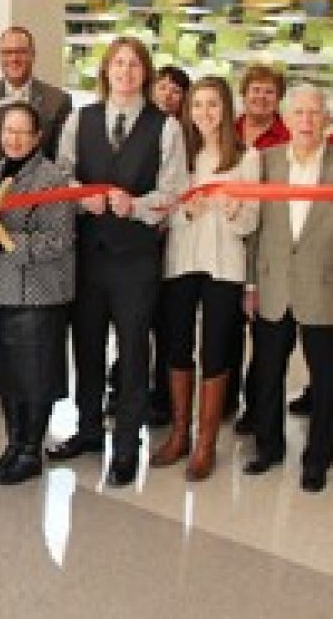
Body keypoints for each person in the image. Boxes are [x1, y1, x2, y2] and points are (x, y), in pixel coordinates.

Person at [48, 36, 187, 487]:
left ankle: (127, 445)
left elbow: (174, 192)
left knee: (131, 353)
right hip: (87, 255)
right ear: (105, 71)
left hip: (135, 259)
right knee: (86, 346)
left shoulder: (164, 127)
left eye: (134, 65)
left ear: (144, 74)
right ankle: (88, 430)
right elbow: (60, 174)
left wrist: (140, 206)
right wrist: (79, 195)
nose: (125, 72)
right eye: (118, 64)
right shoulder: (79, 120)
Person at [152, 76, 259, 481]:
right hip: (182, 261)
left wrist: (233, 211)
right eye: (197, 105)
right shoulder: (181, 155)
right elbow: (166, 209)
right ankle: (179, 434)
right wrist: (186, 213)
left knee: (216, 350)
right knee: (177, 347)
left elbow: (252, 222)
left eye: (213, 104)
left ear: (226, 109)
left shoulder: (246, 158)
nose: (205, 113)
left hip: (224, 266)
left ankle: (205, 444)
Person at [0, 26, 72, 412]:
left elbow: (56, 233)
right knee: (3, 345)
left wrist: (5, 240)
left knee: (34, 360)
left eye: (21, 51)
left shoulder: (58, 101)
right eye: (6, 51)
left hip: (35, 249)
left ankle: (27, 443)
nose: (13, 58)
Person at [0, 103, 75, 484]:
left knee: (34, 377)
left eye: (22, 132)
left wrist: (5, 243)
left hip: (38, 293)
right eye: (7, 131)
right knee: (6, 376)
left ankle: (31, 450)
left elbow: (58, 241)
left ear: (37, 137)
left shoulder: (53, 178)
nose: (13, 139)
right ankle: (13, 446)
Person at [243, 85, 333, 493]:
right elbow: (254, 230)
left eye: (315, 113)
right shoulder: (265, 162)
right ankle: (268, 448)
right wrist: (250, 283)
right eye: (300, 113)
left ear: (327, 121)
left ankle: (317, 459)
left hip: (324, 288)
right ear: (288, 118)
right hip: (273, 285)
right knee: (267, 373)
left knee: (326, 381)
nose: (307, 121)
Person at [107, 63, 191, 426]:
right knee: (130, 325)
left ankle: (157, 397)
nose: (168, 94)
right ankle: (122, 388)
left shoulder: (179, 132)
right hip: (131, 242)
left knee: (159, 325)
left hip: (170, 244)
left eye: (176, 89)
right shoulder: (129, 125)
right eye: (163, 87)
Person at [230, 65, 293, 432]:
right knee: (225, 331)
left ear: (278, 98)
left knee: (267, 339)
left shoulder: (286, 140)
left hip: (267, 249)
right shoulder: (228, 131)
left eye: (269, 92)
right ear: (244, 93)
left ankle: (256, 408)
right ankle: (224, 401)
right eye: (255, 90)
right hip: (226, 244)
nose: (261, 97)